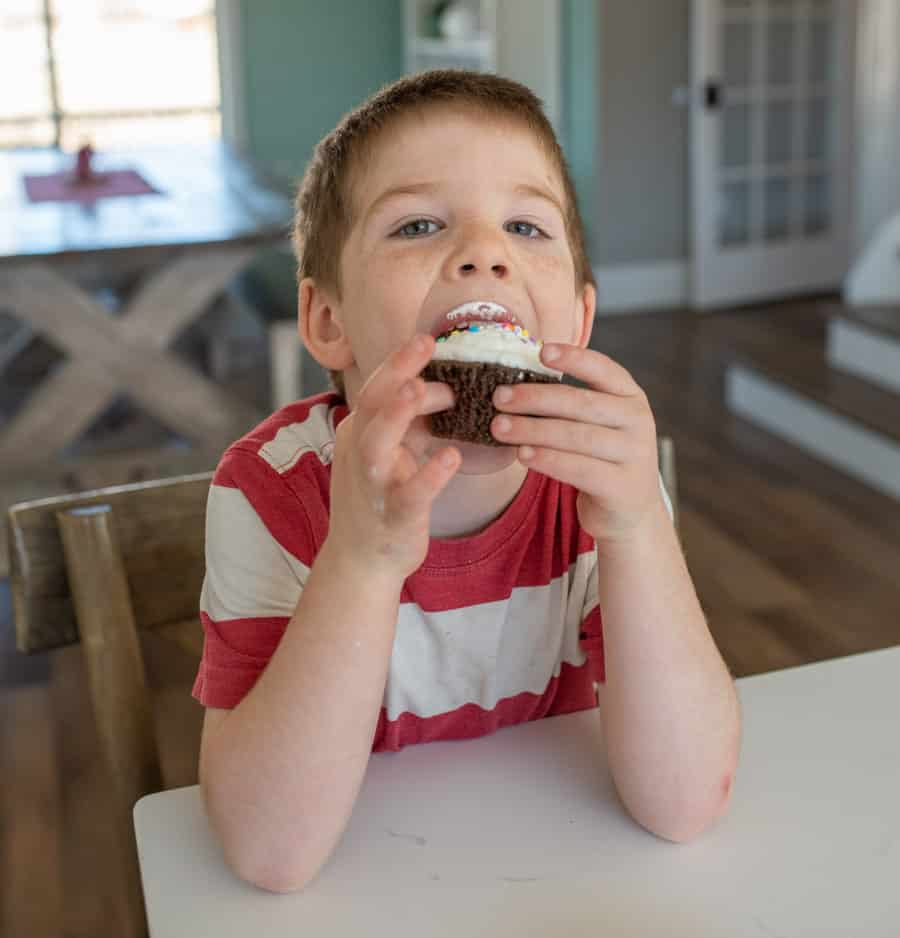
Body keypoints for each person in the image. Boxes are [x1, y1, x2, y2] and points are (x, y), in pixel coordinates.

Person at [193, 70, 741, 893]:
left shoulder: (598, 484)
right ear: (327, 321)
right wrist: (363, 559)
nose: (486, 252)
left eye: (526, 225)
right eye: (418, 224)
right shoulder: (268, 492)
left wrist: (636, 528)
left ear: (579, 321)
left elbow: (687, 802)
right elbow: (270, 855)